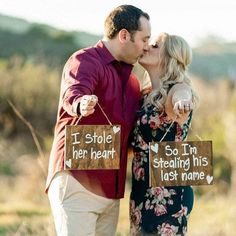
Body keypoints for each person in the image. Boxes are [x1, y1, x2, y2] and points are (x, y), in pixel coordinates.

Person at [45, 4, 151, 236]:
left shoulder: (133, 83)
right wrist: (81, 103)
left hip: (111, 192)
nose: (147, 46)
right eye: (144, 39)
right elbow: (74, 92)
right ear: (124, 35)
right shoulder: (85, 60)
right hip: (77, 182)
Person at [130, 33, 199, 235]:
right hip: (142, 190)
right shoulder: (144, 95)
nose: (147, 47)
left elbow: (183, 95)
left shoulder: (177, 88)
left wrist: (181, 103)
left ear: (170, 57)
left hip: (168, 194)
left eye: (155, 46)